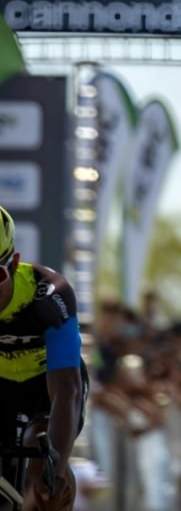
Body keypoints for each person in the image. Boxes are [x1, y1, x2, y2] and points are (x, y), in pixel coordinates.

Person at [0, 205, 88, 511]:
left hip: (47, 386)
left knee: (44, 476)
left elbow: (67, 390)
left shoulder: (49, 296)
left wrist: (56, 469)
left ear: (14, 262)